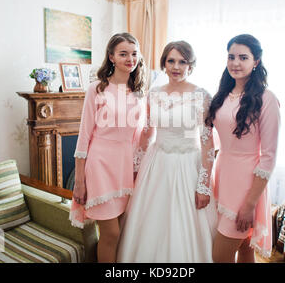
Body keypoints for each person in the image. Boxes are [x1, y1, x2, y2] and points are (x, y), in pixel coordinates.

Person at [117, 41, 217, 262]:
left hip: (188, 164)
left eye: (182, 61)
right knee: (152, 221)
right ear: (164, 63)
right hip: (156, 163)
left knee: (184, 224)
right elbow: (147, 133)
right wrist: (134, 168)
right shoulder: (154, 93)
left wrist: (203, 185)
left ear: (190, 65)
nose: (176, 66)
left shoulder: (202, 95)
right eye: (171, 60)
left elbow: (208, 143)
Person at [70, 33, 146, 263]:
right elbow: (84, 137)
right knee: (111, 233)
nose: (130, 59)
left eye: (134, 54)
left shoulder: (139, 92)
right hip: (100, 165)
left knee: (121, 233)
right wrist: (80, 181)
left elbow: (140, 137)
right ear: (111, 57)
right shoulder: (97, 89)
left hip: (125, 168)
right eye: (123, 54)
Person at [205, 34, 280, 262]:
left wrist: (250, 204)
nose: (235, 63)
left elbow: (268, 158)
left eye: (243, 57)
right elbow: (216, 138)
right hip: (223, 176)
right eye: (231, 57)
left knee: (219, 256)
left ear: (256, 61)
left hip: (246, 185)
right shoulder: (222, 96)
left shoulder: (267, 99)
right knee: (245, 249)